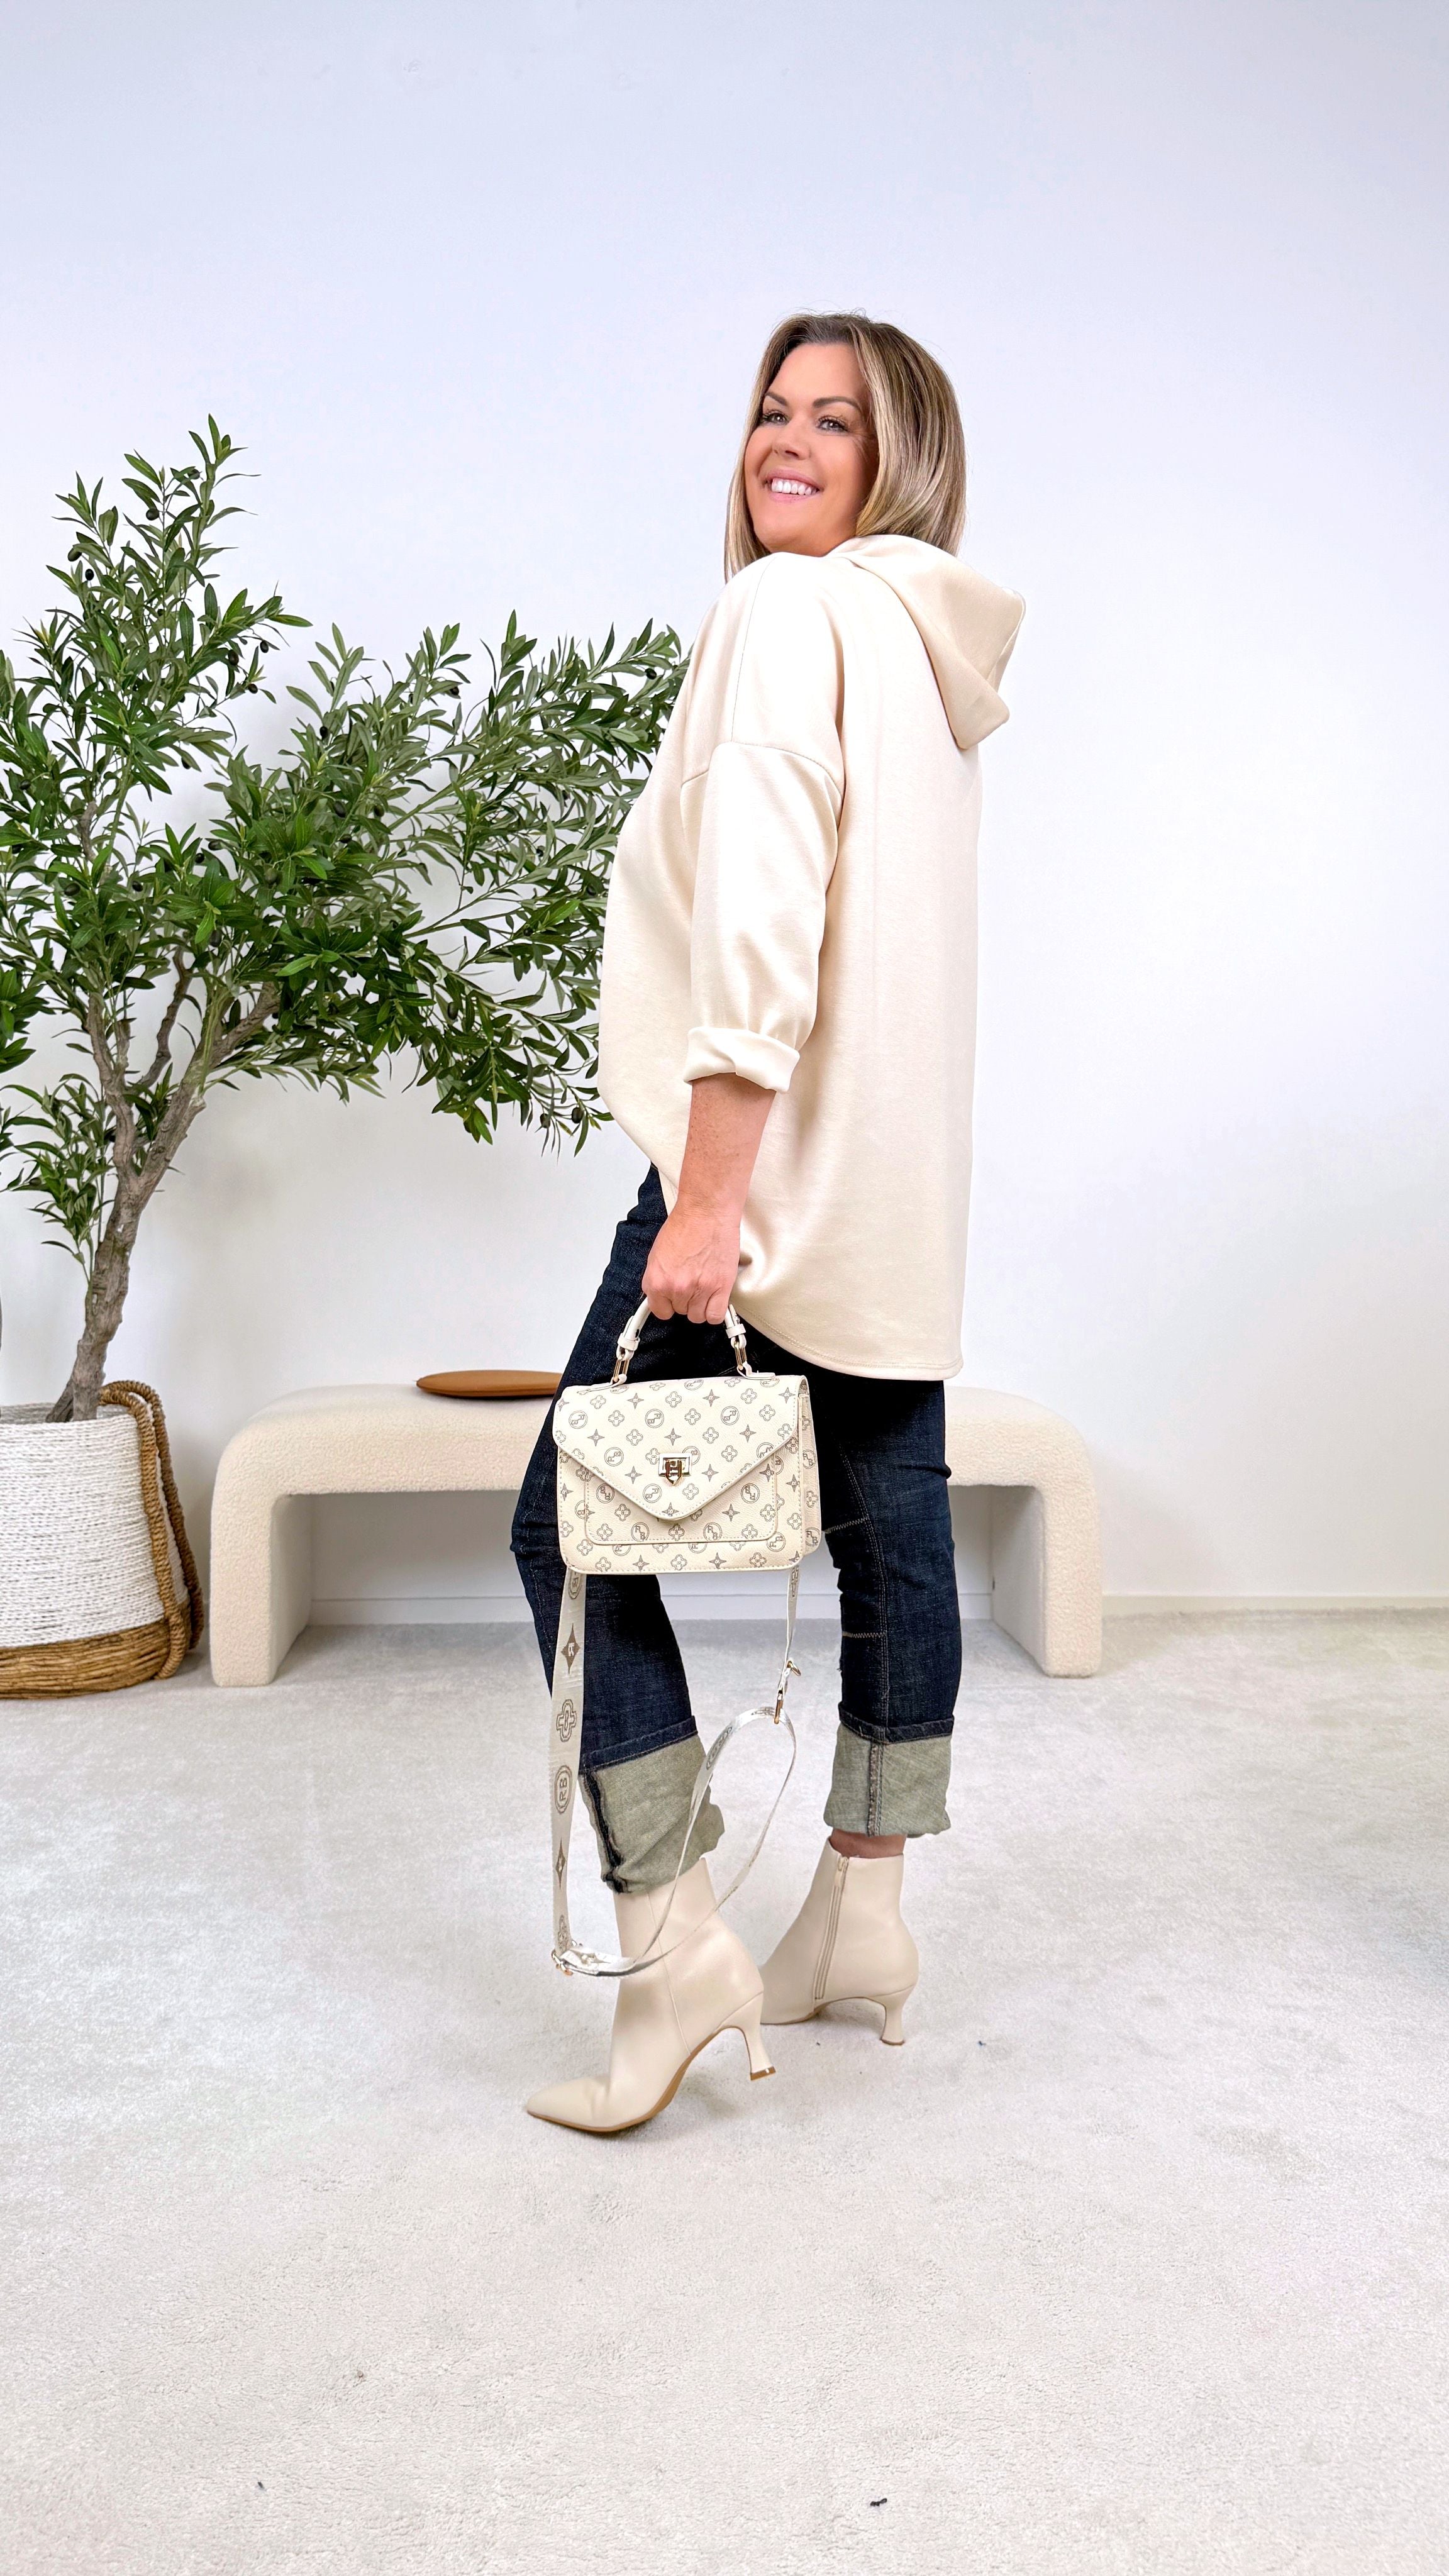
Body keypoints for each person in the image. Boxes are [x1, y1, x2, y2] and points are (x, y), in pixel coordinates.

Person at [512, 309, 1023, 2134]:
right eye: (769, 410)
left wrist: (709, 1196)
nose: (785, 443)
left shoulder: (789, 610)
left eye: (836, 421)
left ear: (904, 460)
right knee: (895, 1538)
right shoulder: (926, 651)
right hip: (892, 1190)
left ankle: (672, 1951)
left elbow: (765, 907)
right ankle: (862, 1922)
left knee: (561, 1527)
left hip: (767, 1170)